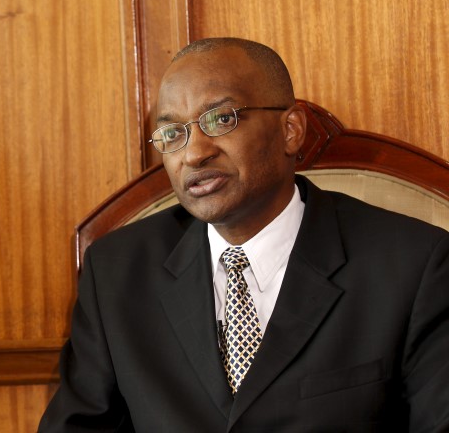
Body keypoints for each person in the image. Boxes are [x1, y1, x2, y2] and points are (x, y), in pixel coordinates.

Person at [39, 37, 449, 431]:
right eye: (171, 133)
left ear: (291, 130)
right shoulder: (116, 272)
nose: (194, 153)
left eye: (221, 119)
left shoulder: (414, 265)